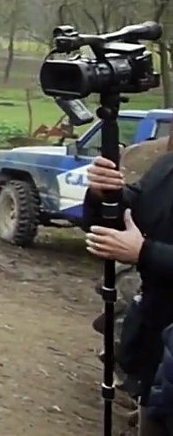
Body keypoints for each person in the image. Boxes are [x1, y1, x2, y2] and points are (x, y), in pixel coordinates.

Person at [85, 138, 173, 432]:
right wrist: (104, 193)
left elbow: (139, 247)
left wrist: (144, 253)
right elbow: (126, 216)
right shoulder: (166, 167)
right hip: (156, 349)